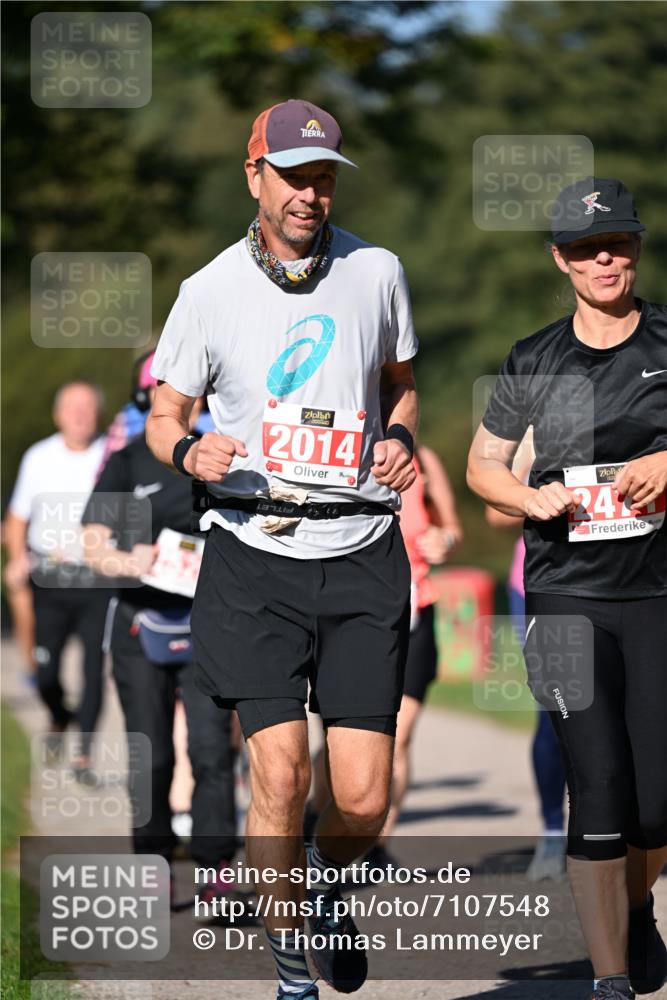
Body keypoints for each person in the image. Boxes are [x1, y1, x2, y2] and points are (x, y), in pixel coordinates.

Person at [146, 98, 418, 1000]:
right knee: (280, 771)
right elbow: (165, 415)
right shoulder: (207, 291)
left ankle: (324, 881)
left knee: (365, 798)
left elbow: (400, 385)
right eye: (294, 177)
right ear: (254, 177)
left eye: (324, 177)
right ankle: (292, 972)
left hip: (361, 548)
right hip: (253, 554)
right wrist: (189, 451)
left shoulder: (376, 271)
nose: (310, 194)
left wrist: (400, 438)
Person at [467, 177, 667, 1000]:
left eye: (615, 243)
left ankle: (635, 908)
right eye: (586, 249)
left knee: (655, 805)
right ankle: (608, 977)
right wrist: (526, 496)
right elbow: (482, 465)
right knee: (597, 787)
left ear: (635, 248)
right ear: (561, 260)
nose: (603, 260)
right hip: (560, 596)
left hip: (655, 596)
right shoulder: (533, 357)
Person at [81, 357, 241, 910]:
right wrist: (131, 560)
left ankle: (217, 872)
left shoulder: (220, 454)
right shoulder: (125, 461)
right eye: (158, 389)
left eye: (183, 389)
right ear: (142, 398)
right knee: (150, 755)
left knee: (211, 751)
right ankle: (153, 865)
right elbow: (92, 543)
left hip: (209, 625)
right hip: (139, 624)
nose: (173, 398)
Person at [307, 445, 463, 867]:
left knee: (398, 736)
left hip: (415, 608)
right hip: (350, 611)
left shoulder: (423, 458)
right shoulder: (336, 449)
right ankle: (319, 820)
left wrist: (445, 540)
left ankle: (374, 846)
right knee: (341, 742)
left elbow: (452, 526)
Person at [3, 381, 110, 782]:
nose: (79, 415)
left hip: (98, 578)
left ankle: (84, 757)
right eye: (71, 408)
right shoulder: (39, 457)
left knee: (94, 669)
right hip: (49, 579)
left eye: (86, 408)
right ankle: (59, 714)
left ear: (97, 414)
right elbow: (17, 516)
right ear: (57, 415)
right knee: (45, 672)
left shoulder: (111, 454)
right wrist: (17, 559)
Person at [485, 433, 568, 882]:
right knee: (555, 710)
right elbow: (496, 513)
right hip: (541, 581)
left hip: (625, 579)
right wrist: (532, 473)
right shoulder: (534, 428)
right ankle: (553, 832)